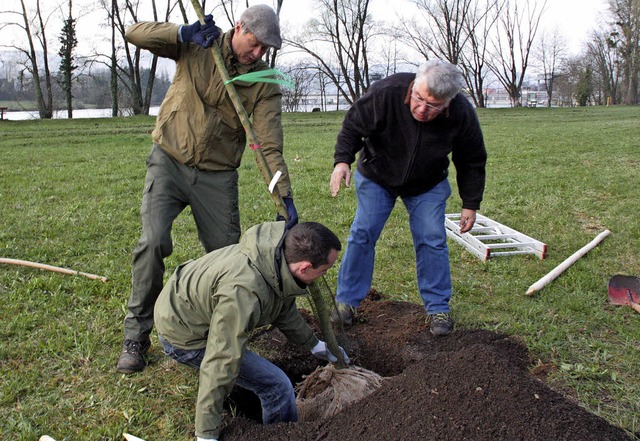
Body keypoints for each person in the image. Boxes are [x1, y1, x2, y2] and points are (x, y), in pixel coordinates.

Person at [117, 5, 299, 373]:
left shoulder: (265, 81)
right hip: (169, 159)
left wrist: (284, 197)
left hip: (217, 176)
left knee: (232, 258)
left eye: (266, 48)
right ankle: (136, 335)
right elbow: (134, 33)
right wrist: (181, 33)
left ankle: (223, 335)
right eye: (255, 43)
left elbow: (268, 144)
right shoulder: (200, 44)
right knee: (152, 243)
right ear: (239, 27)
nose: (258, 53)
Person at [329, 59, 487, 336]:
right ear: (414, 85)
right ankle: (346, 302)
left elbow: (471, 159)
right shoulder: (386, 92)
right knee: (363, 232)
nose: (422, 109)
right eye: (418, 98)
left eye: (433, 105)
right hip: (377, 175)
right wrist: (342, 161)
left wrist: (470, 203)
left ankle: (438, 307)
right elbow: (353, 125)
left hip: (427, 183)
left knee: (431, 237)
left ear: (448, 102)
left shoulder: (462, 113)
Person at [154, 221, 348, 440]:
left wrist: (314, 345)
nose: (324, 276)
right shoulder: (243, 293)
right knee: (277, 387)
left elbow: (281, 309)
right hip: (184, 334)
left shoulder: (273, 257)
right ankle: (283, 435)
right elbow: (221, 360)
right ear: (304, 267)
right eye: (324, 270)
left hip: (186, 302)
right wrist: (206, 434)